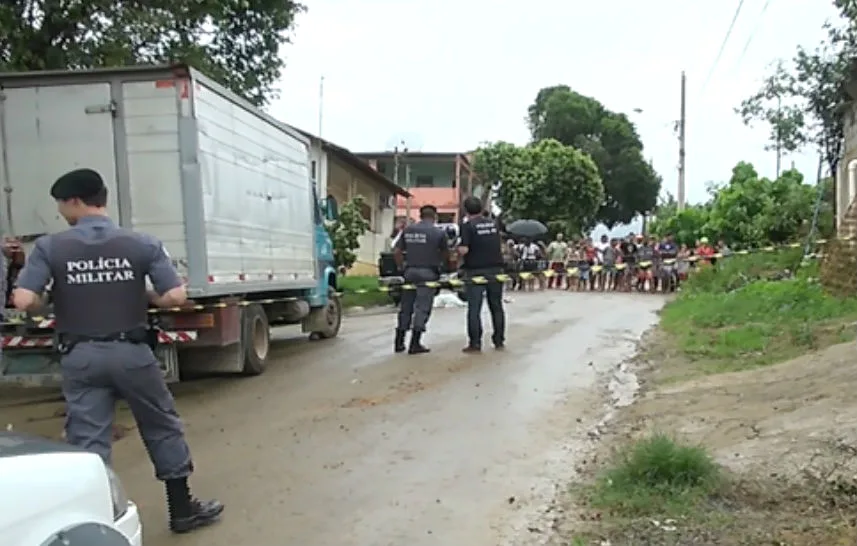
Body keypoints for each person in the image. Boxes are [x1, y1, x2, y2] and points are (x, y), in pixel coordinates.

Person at [11, 168, 223, 534]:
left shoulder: (51, 247)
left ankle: (94, 521)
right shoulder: (141, 243)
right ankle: (182, 510)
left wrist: (53, 298)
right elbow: (175, 295)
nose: (60, 212)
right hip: (133, 353)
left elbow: (24, 299)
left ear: (75, 201)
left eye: (61, 204)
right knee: (160, 426)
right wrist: (141, 294)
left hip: (82, 357)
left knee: (88, 441)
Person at [393, 204, 450, 354]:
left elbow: (397, 251)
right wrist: (441, 265)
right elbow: (446, 253)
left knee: (406, 307)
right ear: (435, 216)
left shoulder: (408, 230)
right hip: (428, 273)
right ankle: (415, 343)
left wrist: (402, 267)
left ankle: (399, 341)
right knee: (422, 308)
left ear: (420, 215)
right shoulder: (438, 233)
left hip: (410, 272)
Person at [458, 196, 506, 352]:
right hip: (496, 270)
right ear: (480, 209)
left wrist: (457, 252)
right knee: (496, 306)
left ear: (466, 210)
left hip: (475, 271)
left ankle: (475, 342)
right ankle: (499, 340)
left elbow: (464, 249)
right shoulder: (493, 225)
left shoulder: (467, 226)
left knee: (474, 308)